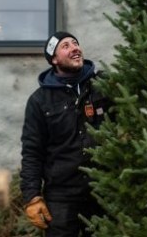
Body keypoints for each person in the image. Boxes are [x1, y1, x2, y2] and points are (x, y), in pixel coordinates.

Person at [20, 31, 112, 237]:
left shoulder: (102, 87)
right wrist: (32, 197)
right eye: (66, 46)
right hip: (61, 195)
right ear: (54, 59)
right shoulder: (39, 101)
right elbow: (32, 151)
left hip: (104, 188)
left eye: (76, 43)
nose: (75, 48)